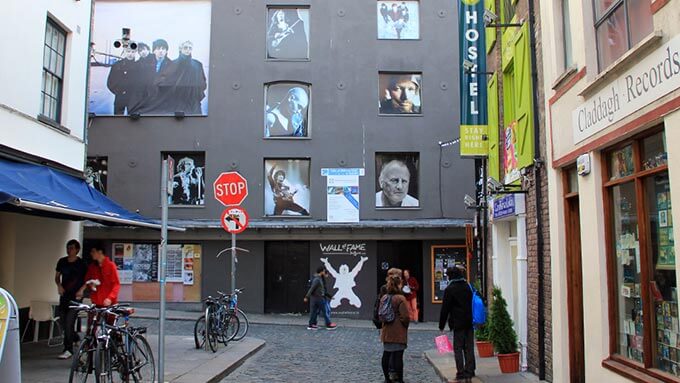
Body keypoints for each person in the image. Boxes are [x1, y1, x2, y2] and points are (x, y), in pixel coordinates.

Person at [439, 266, 475, 382]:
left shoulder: (450, 289)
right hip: (469, 320)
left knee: (458, 348)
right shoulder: (467, 286)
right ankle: (470, 371)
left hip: (457, 322)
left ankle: (460, 372)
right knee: (469, 347)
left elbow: (445, 308)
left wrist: (441, 324)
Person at [54, 239, 87, 359]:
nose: (69, 250)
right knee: (63, 322)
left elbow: (87, 280)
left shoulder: (82, 264)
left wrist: (81, 290)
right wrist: (59, 286)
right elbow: (57, 277)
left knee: (69, 321)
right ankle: (75, 337)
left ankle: (68, 349)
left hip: (76, 297)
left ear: (77, 250)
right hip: (64, 296)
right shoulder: (62, 262)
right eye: (68, 248)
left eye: (72, 248)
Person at [380, 269, 410, 383]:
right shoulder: (400, 298)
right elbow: (405, 316)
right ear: (399, 284)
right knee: (398, 356)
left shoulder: (385, 297)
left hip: (387, 329)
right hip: (398, 330)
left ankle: (387, 379)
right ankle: (400, 380)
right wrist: (405, 325)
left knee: (386, 354)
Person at [170, 41, 207, 114]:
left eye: (190, 48)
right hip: (177, 101)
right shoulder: (173, 64)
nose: (188, 50)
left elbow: (203, 82)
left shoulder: (198, 64)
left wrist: (196, 93)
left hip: (193, 101)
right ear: (180, 49)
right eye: (185, 48)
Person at [106, 47, 138, 115]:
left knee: (134, 122)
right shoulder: (117, 65)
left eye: (132, 52)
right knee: (118, 120)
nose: (130, 54)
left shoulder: (138, 66)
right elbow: (110, 82)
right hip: (120, 98)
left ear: (135, 53)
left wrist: (136, 94)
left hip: (133, 99)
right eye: (128, 51)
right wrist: (118, 92)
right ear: (125, 52)